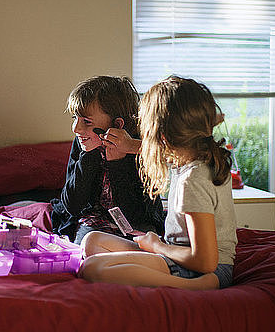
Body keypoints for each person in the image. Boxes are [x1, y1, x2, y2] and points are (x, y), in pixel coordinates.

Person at [78, 76, 237, 290]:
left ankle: (195, 287)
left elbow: (205, 260)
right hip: (180, 255)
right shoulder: (196, 155)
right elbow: (155, 152)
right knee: (92, 241)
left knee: (92, 268)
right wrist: (126, 145)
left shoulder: (192, 181)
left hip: (203, 269)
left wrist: (157, 246)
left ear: (161, 136)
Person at [51, 75, 165, 245]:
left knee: (145, 244)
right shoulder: (82, 143)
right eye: (75, 118)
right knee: (86, 246)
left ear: (117, 125)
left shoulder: (140, 147)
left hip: (135, 221)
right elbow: (72, 205)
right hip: (94, 221)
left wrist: (117, 163)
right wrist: (88, 156)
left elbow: (136, 215)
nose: (76, 128)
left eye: (87, 122)